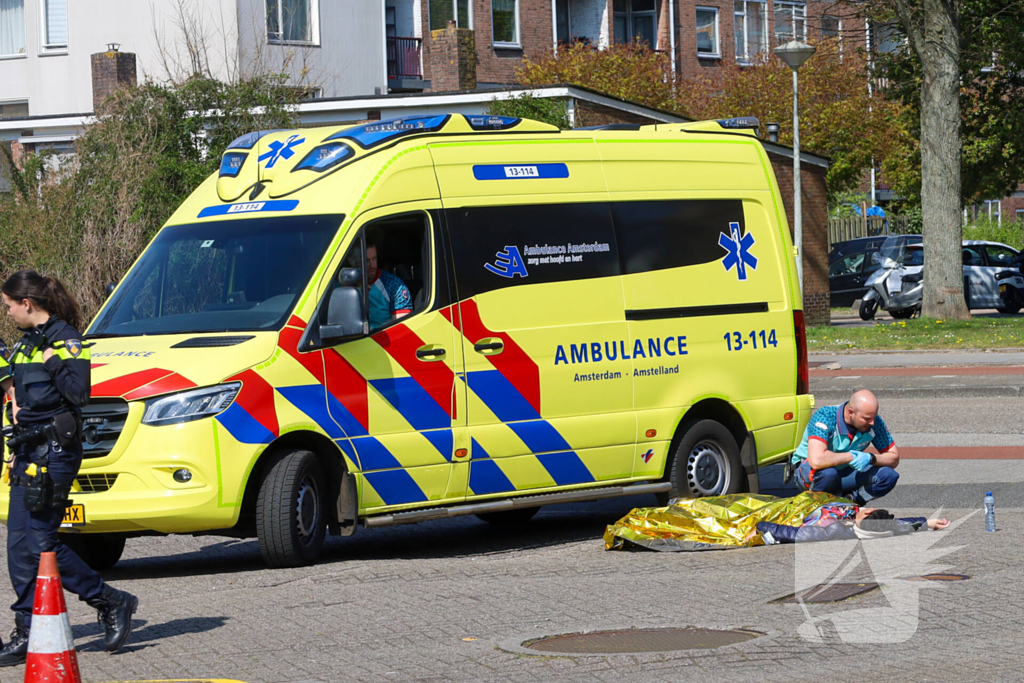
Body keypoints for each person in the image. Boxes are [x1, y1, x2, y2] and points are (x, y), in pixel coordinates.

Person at [0, 270, 138, 666]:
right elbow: (20, 400)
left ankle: (109, 600)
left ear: (27, 303)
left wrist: (54, 360)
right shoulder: (25, 344)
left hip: (56, 453)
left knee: (41, 541)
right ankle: (28, 630)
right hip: (28, 451)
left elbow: (79, 394)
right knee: (19, 544)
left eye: (8, 305)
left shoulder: (66, 340)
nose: (6, 312)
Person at [789, 389, 900, 505]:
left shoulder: (874, 422)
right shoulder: (825, 417)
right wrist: (851, 456)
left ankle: (850, 502)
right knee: (828, 474)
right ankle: (817, 507)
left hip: (844, 471)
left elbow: (894, 458)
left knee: (889, 475)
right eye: (867, 419)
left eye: (874, 417)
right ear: (851, 412)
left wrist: (870, 458)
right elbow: (817, 460)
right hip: (811, 473)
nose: (872, 423)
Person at [746, 506, 950, 545]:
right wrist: (928, 523)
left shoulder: (837, 531)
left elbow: (793, 534)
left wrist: (762, 525)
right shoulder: (887, 530)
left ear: (867, 513)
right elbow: (903, 525)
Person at [366, 243, 412, 329]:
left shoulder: (394, 285)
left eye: (374, 259)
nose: (372, 265)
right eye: (366, 260)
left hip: (382, 336)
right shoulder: (344, 284)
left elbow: (402, 328)